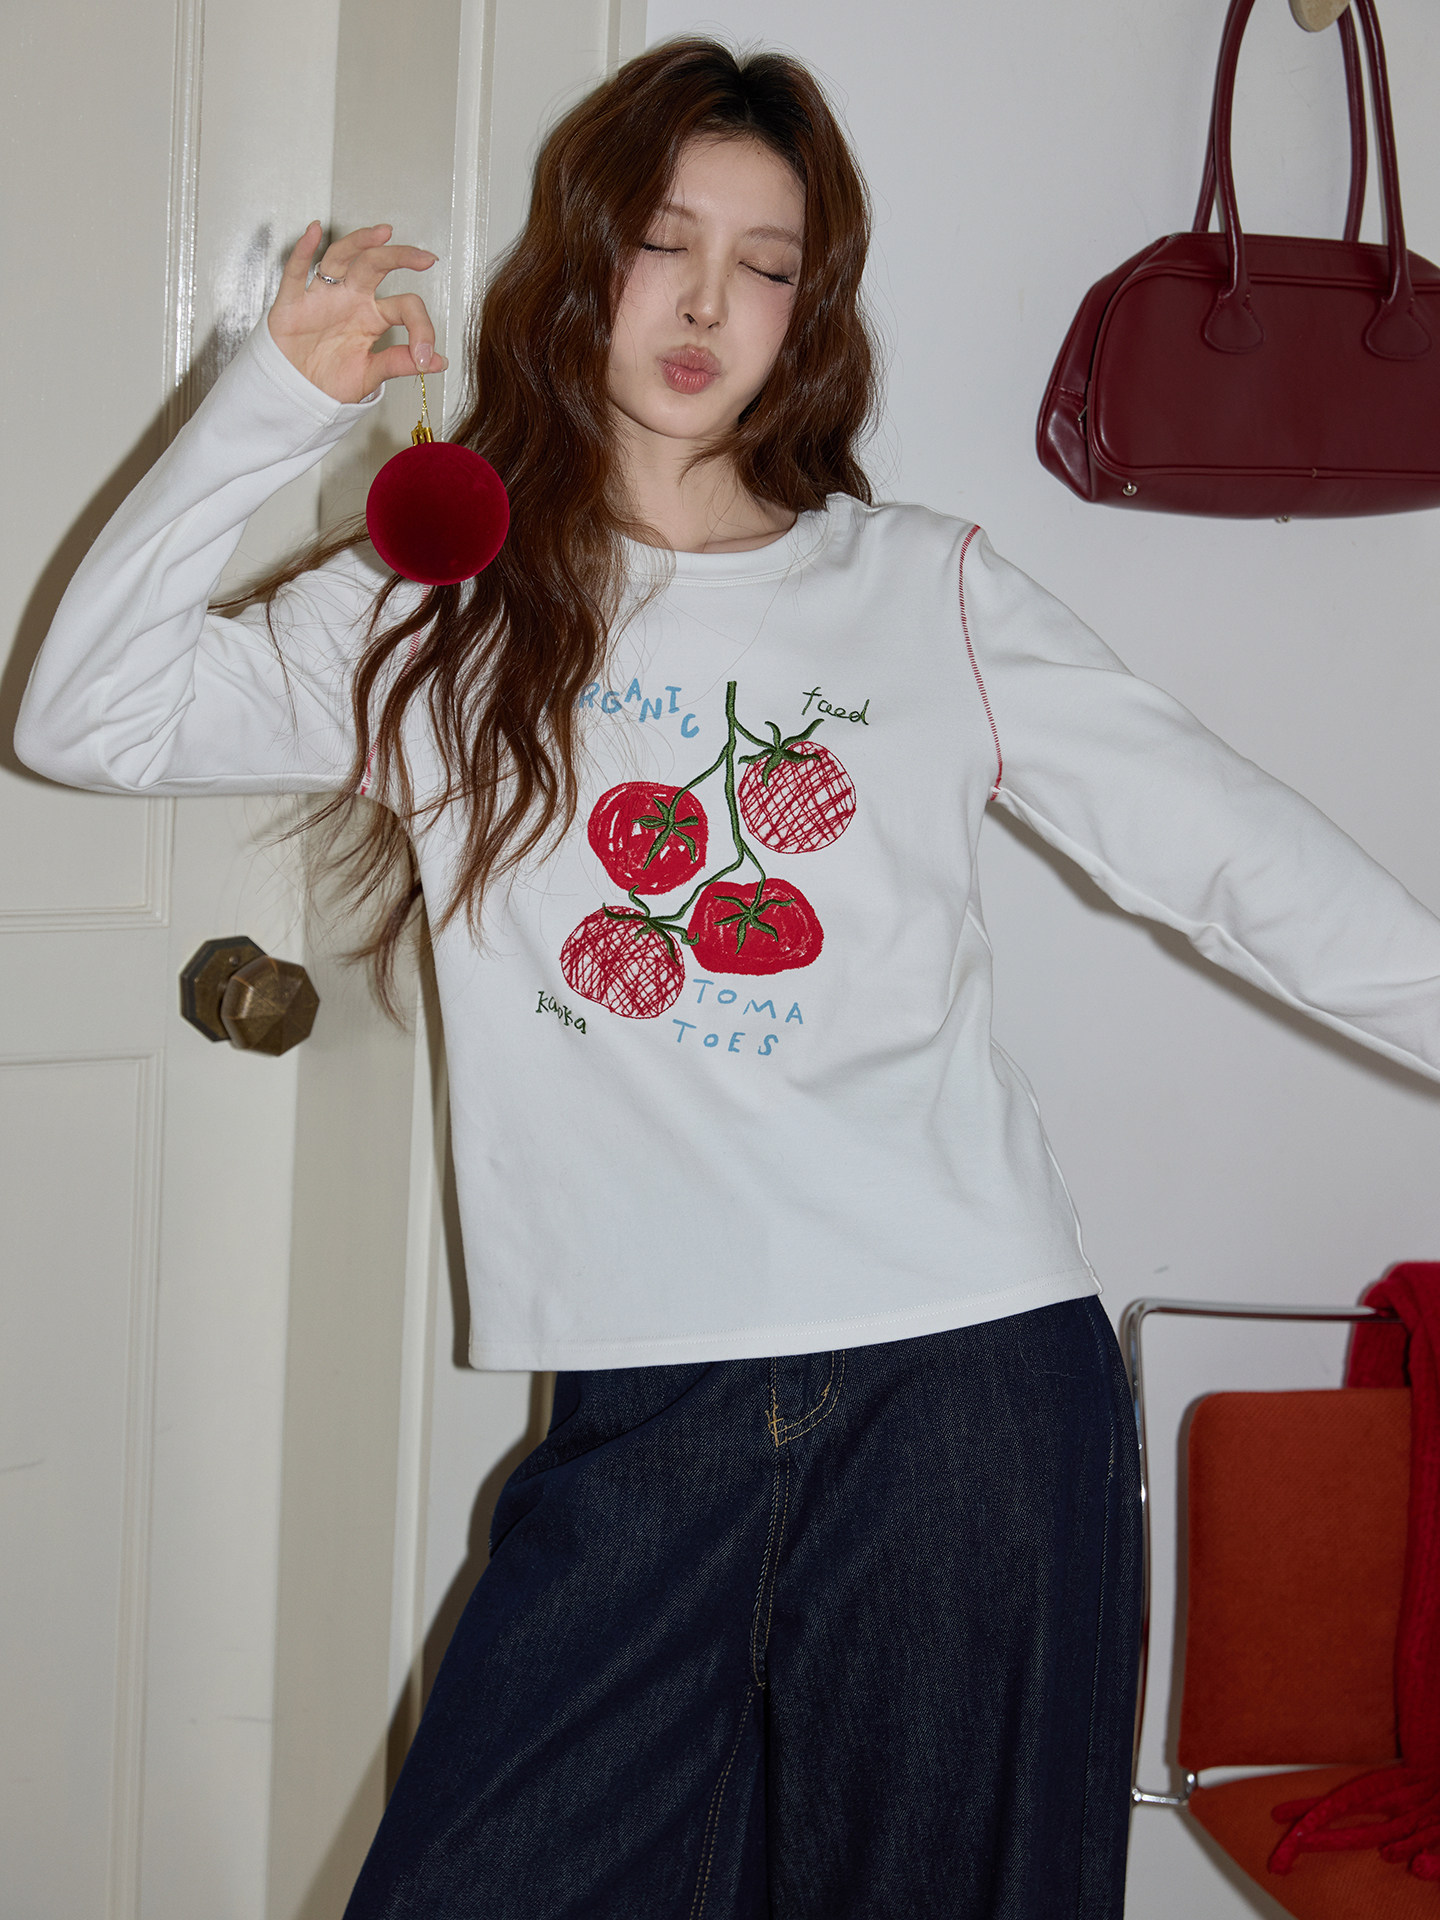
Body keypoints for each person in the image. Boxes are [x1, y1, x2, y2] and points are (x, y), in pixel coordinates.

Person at [14, 34, 1440, 1920]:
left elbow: (1242, 863)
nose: (704, 305)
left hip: (962, 1401)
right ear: (577, 260)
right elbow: (85, 716)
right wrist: (266, 405)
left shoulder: (922, 588)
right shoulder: (438, 602)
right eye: (662, 243)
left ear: (809, 310)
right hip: (644, 1410)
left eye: (764, 265)